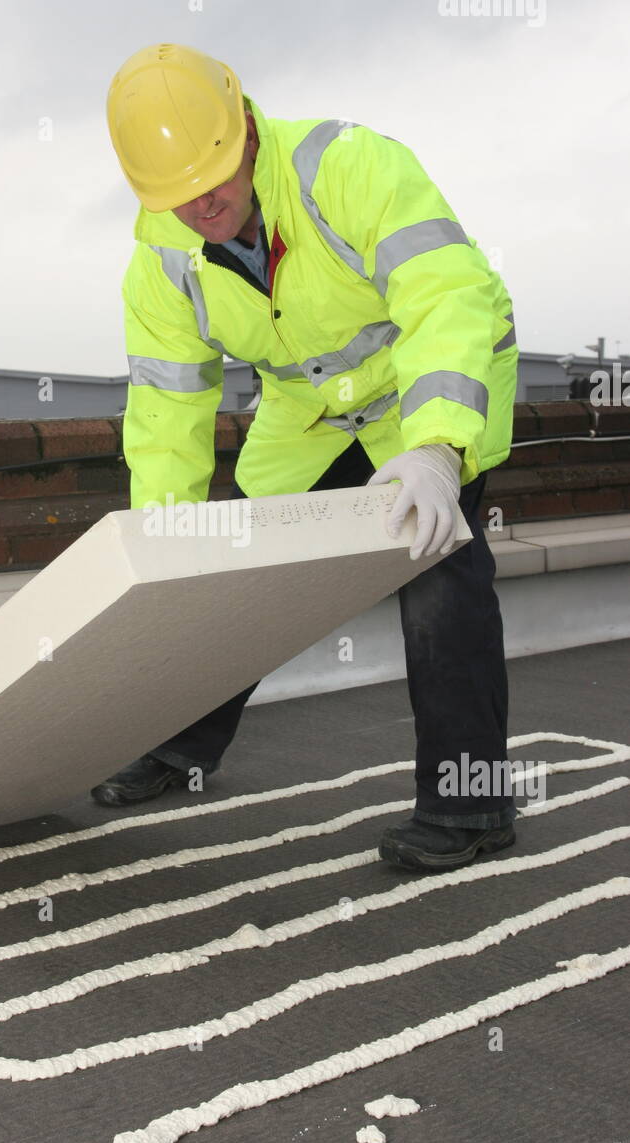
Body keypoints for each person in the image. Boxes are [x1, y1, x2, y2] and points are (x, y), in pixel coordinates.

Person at [100, 42, 519, 872]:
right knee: (236, 574)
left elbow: (447, 299)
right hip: (312, 414)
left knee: (437, 577)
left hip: (426, 388)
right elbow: (167, 408)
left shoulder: (349, 167)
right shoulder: (163, 258)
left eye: (212, 180)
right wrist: (165, 531)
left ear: (246, 129)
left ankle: (469, 806)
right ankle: (182, 746)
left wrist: (437, 448)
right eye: (177, 196)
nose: (200, 207)